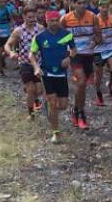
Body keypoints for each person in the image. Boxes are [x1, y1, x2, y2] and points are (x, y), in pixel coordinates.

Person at [30, 10, 77, 143]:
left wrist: (69, 58)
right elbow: (31, 54)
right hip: (46, 73)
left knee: (62, 105)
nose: (55, 23)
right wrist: (36, 67)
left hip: (61, 74)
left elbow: (74, 50)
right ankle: (56, 133)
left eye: (56, 20)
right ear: (46, 21)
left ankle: (48, 106)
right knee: (52, 102)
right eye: (52, 21)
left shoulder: (67, 34)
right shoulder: (39, 37)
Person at [61, 0, 100, 129]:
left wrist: (95, 42)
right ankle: (81, 114)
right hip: (74, 55)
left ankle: (75, 109)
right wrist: (65, 53)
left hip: (88, 55)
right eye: (79, 3)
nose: (82, 6)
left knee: (81, 86)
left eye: (84, 3)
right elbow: (59, 37)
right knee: (82, 81)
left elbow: (99, 36)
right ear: (73, 4)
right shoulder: (65, 19)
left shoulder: (93, 17)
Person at [5, 6, 44, 116]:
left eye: (34, 17)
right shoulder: (19, 31)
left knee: (39, 90)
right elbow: (7, 45)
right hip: (24, 62)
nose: (32, 19)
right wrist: (11, 53)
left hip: (38, 63)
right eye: (29, 17)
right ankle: (31, 113)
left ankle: (31, 94)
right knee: (31, 89)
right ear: (23, 17)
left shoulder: (40, 29)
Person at [93, 0, 112, 108]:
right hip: (98, 50)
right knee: (99, 76)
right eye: (102, 7)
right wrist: (98, 38)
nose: (105, 9)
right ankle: (98, 93)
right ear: (99, 7)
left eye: (106, 7)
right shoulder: (95, 19)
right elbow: (92, 36)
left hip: (111, 48)